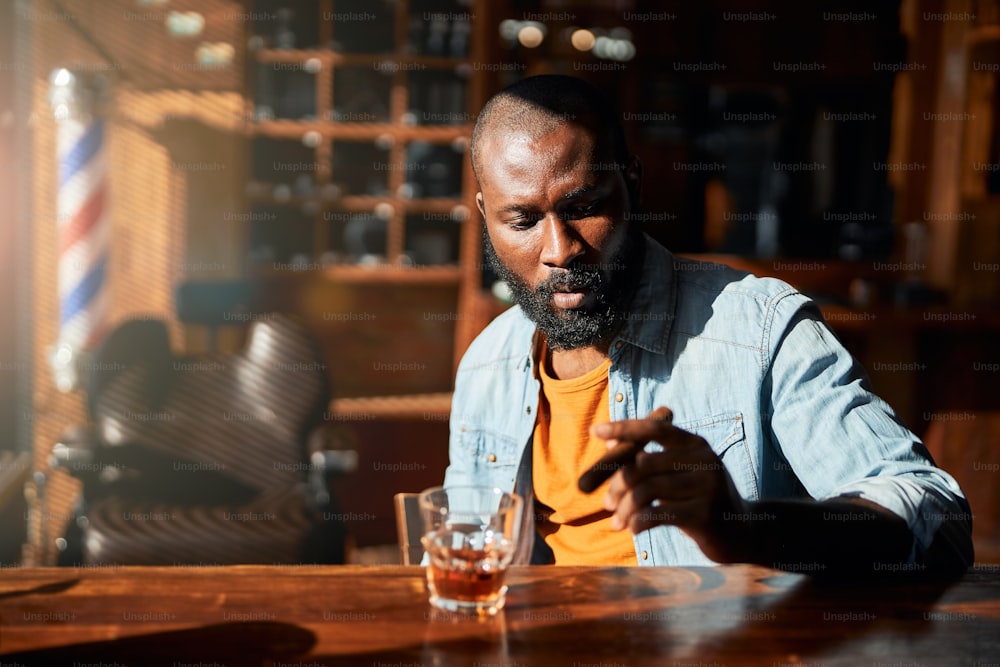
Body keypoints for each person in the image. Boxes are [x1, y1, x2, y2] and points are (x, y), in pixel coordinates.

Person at [442, 74, 973, 577]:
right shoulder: (487, 364)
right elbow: (467, 550)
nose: (560, 250)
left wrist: (744, 528)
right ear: (486, 215)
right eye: (524, 221)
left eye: (584, 207)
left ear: (633, 184)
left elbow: (936, 519)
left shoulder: (761, 330)